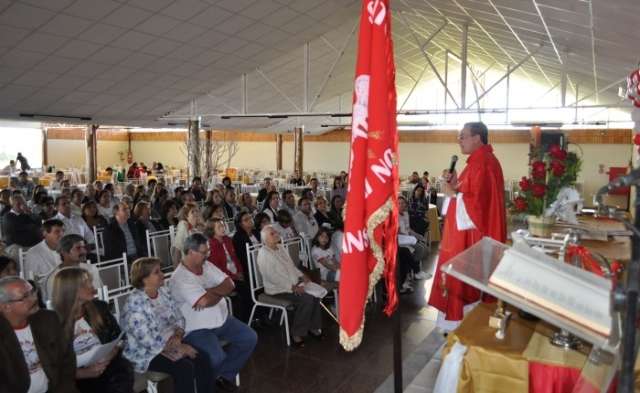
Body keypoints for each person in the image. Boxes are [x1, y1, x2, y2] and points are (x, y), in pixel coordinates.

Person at [428, 122, 506, 331]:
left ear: (477, 138)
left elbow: (478, 207)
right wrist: (455, 185)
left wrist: (453, 194)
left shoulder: (483, 163)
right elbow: (471, 194)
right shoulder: (478, 162)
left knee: (462, 282)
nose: (459, 140)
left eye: (463, 136)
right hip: (465, 234)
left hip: (470, 238)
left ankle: (463, 328)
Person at [169, 233, 257, 392]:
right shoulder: (180, 278)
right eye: (204, 252)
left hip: (221, 319)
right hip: (196, 328)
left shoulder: (206, 266)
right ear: (190, 252)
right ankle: (207, 384)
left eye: (207, 251)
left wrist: (210, 291)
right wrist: (218, 292)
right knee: (216, 357)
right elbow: (204, 301)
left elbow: (230, 284)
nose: (207, 255)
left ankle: (223, 376)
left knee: (249, 337)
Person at [121, 258, 215, 393]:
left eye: (161, 271)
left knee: (203, 358)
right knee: (184, 367)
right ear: (144, 279)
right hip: (146, 352)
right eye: (156, 272)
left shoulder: (163, 292)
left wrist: (178, 335)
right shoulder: (135, 303)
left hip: (171, 341)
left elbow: (180, 318)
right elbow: (147, 340)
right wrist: (178, 347)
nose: (162, 275)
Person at [50, 268, 134, 393]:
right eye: (85, 284)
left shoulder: (99, 308)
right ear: (70, 291)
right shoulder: (52, 323)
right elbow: (53, 367)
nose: (92, 287)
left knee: (118, 379)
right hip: (77, 375)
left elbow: (119, 338)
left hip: (108, 365)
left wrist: (109, 355)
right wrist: (83, 373)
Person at [0, 276, 79, 393]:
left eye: (33, 291)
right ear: (5, 307)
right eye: (25, 296)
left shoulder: (47, 319)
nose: (34, 298)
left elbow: (67, 362)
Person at [257, 225, 322, 347]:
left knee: (315, 294)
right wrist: (292, 287)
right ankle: (296, 333)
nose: (276, 234)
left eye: (275, 232)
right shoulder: (264, 254)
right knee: (306, 299)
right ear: (265, 240)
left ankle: (313, 327)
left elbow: (291, 266)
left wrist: (303, 276)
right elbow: (273, 277)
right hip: (278, 289)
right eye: (272, 234)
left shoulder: (280, 247)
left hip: (293, 283)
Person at [206, 218, 251, 323]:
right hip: (222, 279)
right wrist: (234, 276)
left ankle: (252, 318)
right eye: (219, 227)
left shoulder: (227, 240)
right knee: (243, 293)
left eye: (223, 225)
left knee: (251, 285)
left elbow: (235, 258)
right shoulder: (211, 245)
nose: (223, 228)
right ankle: (243, 322)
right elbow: (218, 268)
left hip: (235, 274)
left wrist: (240, 271)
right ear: (212, 230)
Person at [45, 234, 102, 301]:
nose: (84, 251)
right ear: (64, 252)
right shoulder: (55, 278)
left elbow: (99, 294)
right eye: (78, 248)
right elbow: (56, 304)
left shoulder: (91, 268)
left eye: (84, 247)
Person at [24, 219, 64, 288]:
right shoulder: (34, 253)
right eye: (57, 232)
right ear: (45, 233)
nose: (62, 235)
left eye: (63, 231)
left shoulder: (67, 248)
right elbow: (30, 279)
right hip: (45, 290)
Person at [2, 193, 42, 259]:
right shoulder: (8, 216)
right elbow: (22, 227)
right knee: (15, 250)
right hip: (17, 245)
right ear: (12, 205)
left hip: (33, 244)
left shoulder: (26, 214)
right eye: (18, 204)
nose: (22, 205)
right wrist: (33, 226)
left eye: (23, 203)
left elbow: (39, 223)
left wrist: (29, 212)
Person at [232, 212, 260, 277]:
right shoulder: (237, 238)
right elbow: (242, 258)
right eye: (246, 220)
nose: (250, 220)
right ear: (240, 224)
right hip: (250, 265)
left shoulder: (256, 232)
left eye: (250, 217)